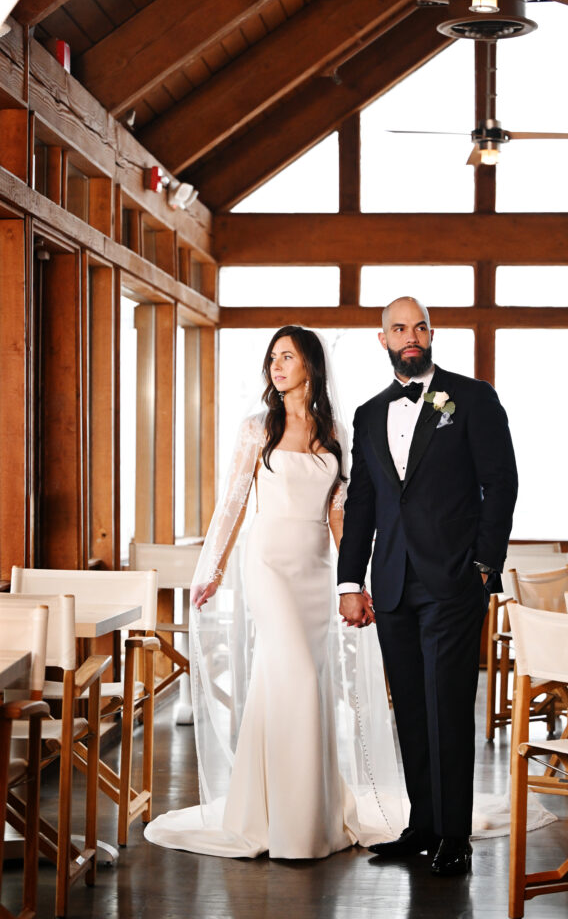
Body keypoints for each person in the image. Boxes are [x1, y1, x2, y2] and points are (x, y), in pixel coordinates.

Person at [144, 326, 404, 859]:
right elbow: (233, 503)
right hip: (266, 563)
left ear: (310, 364)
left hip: (314, 568)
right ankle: (286, 823)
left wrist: (353, 582)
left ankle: (303, 814)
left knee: (291, 681)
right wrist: (211, 570)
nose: (277, 366)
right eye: (272, 358)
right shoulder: (257, 428)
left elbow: (339, 512)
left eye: (287, 356)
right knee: (299, 677)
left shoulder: (333, 431)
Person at [337, 297, 519, 876]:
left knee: (447, 708)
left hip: (454, 582)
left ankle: (453, 837)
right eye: (398, 328)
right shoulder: (368, 415)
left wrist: (485, 566)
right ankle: (420, 827)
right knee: (410, 709)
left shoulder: (472, 398)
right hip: (390, 584)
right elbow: (361, 503)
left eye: (418, 327)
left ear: (432, 334)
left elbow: (501, 483)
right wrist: (350, 580)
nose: (409, 336)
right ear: (382, 338)